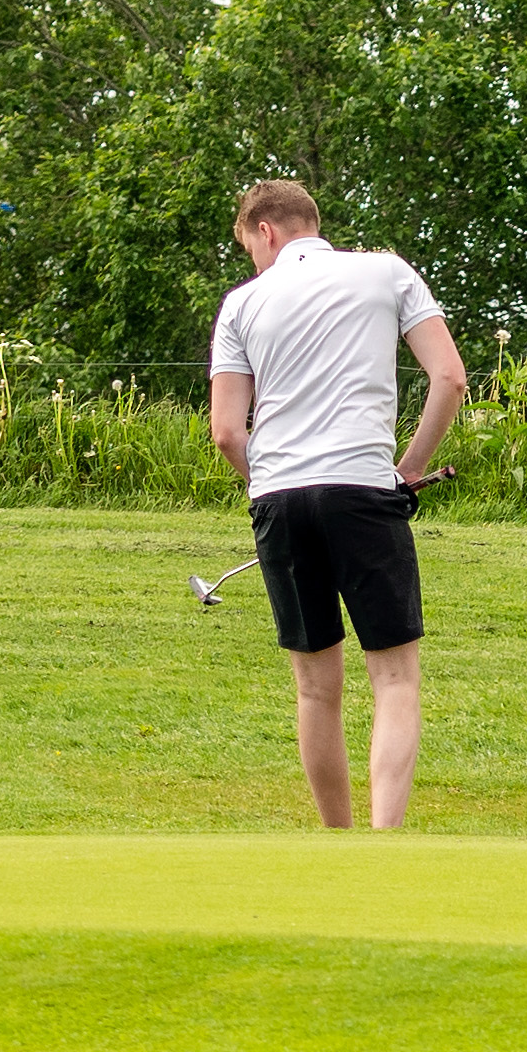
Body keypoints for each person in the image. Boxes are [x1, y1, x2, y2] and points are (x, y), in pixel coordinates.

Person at [208, 175, 473, 831]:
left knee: (316, 687)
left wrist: (264, 480)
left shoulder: (241, 304)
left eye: (250, 247)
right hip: (361, 486)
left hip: (278, 498)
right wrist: (409, 468)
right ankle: (383, 841)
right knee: (395, 678)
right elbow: (451, 378)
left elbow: (225, 432)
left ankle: (337, 840)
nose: (254, 260)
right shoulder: (386, 274)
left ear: (265, 231)